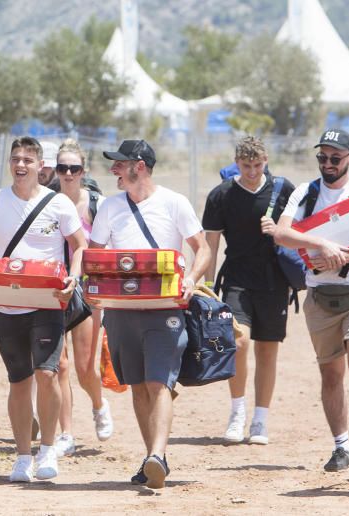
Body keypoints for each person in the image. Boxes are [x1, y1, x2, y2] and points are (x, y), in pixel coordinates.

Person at [89, 139, 211, 489]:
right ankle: (152, 459)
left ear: (138, 166)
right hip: (121, 312)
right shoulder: (110, 207)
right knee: (138, 387)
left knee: (159, 383)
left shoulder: (175, 202)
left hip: (165, 310)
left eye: (119, 163)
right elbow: (95, 256)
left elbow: (201, 248)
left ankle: (158, 454)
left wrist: (190, 279)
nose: (113, 169)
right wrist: (92, 288)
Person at [0, 136, 86, 483]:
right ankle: (22, 456)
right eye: (16, 159)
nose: (21, 165)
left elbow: (80, 246)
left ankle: (48, 449)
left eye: (28, 160)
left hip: (48, 303)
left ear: (41, 166)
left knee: (47, 375)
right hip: (6, 304)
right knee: (18, 381)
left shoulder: (59, 204)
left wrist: (74, 278)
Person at [273, 129, 349, 471]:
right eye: (322, 157)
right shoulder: (307, 192)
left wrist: (345, 257)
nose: (328, 164)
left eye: (335, 157)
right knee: (331, 374)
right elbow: (281, 233)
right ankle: (341, 446)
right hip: (320, 295)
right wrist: (322, 245)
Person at [202, 136, 294, 445]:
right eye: (246, 166)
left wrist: (280, 232)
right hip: (237, 279)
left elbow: (301, 231)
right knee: (238, 341)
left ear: (266, 160)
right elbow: (210, 247)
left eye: (257, 165)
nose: (252, 172)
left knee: (267, 350)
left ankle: (260, 420)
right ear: (236, 163)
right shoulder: (221, 195)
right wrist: (207, 288)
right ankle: (237, 411)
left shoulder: (284, 190)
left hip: (274, 281)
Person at [52, 138, 114, 457]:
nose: (67, 174)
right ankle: (66, 433)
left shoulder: (97, 204)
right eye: (62, 168)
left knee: (84, 367)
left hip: (88, 291)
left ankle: (99, 403)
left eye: (73, 168)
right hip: (52, 287)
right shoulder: (47, 200)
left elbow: (110, 248)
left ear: (83, 170)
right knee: (58, 365)